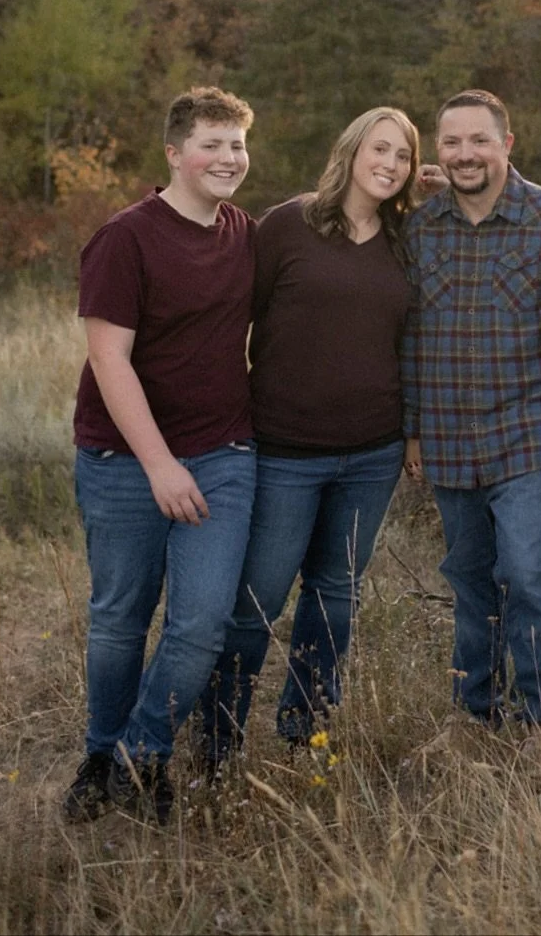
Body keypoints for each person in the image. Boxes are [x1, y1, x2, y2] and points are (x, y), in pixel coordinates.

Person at [63, 87, 257, 825]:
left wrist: (411, 190)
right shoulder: (126, 238)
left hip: (224, 453)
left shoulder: (244, 233)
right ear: (175, 154)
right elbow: (110, 362)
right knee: (120, 617)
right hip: (123, 462)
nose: (227, 158)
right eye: (211, 144)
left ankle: (138, 756)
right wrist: (158, 465)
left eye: (237, 144)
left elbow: (331, 218)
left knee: (202, 622)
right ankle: (97, 752)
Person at [201, 107, 419, 761]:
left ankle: (305, 729)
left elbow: (413, 341)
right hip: (284, 451)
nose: (389, 164)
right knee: (258, 599)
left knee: (336, 596)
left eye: (403, 156)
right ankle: (218, 738)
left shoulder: (407, 238)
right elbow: (237, 316)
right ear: (351, 150)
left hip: (373, 451)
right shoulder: (288, 225)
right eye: (379, 149)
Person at [402, 90, 541, 728]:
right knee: (468, 582)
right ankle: (477, 716)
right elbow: (406, 336)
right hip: (447, 440)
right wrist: (411, 430)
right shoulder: (420, 226)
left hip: (529, 438)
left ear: (506, 144)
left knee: (528, 576)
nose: (466, 155)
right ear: (437, 152)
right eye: (452, 143)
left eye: (479, 140)